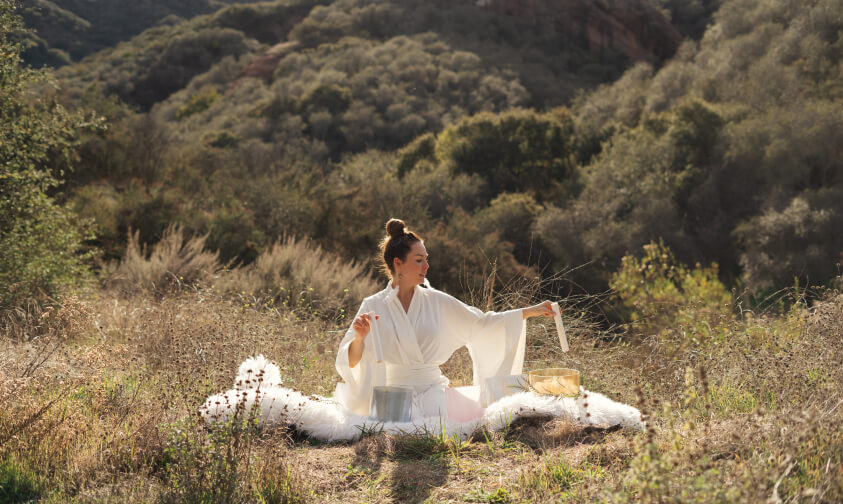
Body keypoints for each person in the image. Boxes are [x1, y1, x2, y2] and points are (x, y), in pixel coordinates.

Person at [334, 218, 554, 422]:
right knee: (397, 432)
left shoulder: (436, 301)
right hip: (392, 394)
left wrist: (529, 311)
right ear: (398, 263)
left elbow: (481, 323)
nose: (426, 267)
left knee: (480, 419)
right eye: (419, 260)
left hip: (432, 391)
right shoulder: (372, 306)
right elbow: (350, 361)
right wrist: (360, 339)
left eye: (426, 260)